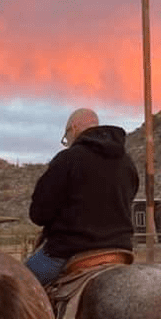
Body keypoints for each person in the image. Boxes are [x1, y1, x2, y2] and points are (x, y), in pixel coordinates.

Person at [24, 108, 139, 286]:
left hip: (70, 250)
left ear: (74, 128)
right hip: (120, 249)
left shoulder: (68, 159)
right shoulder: (127, 163)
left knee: (18, 283)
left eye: (66, 136)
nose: (68, 142)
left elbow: (39, 214)